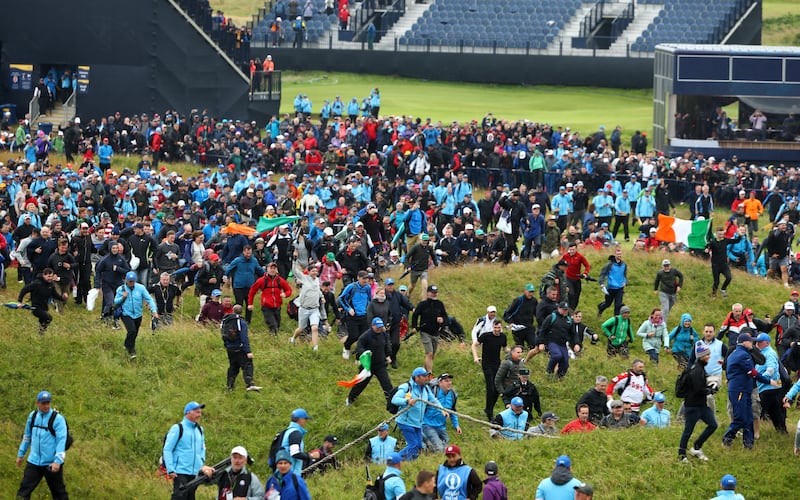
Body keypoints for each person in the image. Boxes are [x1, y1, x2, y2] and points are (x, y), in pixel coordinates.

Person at [722, 333, 778, 449]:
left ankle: (748, 443)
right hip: (739, 390)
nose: (753, 343)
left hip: (743, 389)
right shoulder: (743, 355)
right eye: (750, 341)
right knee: (740, 417)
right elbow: (752, 372)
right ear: (744, 342)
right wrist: (768, 381)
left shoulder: (736, 353)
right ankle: (727, 439)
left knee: (748, 418)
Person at [16, 390, 69, 499]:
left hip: (51, 463)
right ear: (38, 403)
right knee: (23, 492)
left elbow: (61, 441)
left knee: (59, 494)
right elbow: (27, 436)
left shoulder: (58, 419)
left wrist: (57, 461)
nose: (46, 406)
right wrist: (21, 454)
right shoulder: (33, 416)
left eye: (48, 403)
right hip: (34, 462)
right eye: (43, 403)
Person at [162, 402, 216, 500]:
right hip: (180, 471)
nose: (199, 415)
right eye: (197, 412)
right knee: (179, 496)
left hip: (194, 472)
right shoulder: (178, 428)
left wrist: (201, 466)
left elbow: (202, 449)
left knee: (190, 497)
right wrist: (170, 469)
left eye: (200, 412)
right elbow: (167, 449)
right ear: (188, 413)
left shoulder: (200, 430)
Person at [678, 342, 719, 463]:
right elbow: (698, 389)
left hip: (701, 405)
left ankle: (696, 447)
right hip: (692, 406)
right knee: (688, 431)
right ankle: (681, 455)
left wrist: (709, 388)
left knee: (713, 425)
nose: (709, 357)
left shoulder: (700, 369)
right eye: (707, 355)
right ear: (701, 356)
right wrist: (711, 390)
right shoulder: (697, 370)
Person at [391, 367, 437, 461]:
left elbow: (434, 400)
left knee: (419, 445)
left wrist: (443, 410)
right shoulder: (406, 387)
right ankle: (395, 461)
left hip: (417, 423)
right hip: (405, 421)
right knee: (413, 445)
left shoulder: (426, 389)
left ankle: (408, 460)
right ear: (417, 377)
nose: (426, 378)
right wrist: (407, 401)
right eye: (424, 376)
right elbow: (394, 400)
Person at [346, 317, 393, 406]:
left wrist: (388, 356)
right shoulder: (366, 335)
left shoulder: (384, 334)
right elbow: (359, 347)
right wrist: (365, 353)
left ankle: (391, 403)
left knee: (387, 385)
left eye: (381, 327)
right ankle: (350, 399)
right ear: (372, 326)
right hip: (367, 366)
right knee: (360, 384)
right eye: (377, 327)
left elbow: (387, 346)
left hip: (380, 365)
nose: (379, 328)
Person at [115, 271, 159, 359]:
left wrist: (154, 311)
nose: (131, 283)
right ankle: (132, 351)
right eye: (129, 281)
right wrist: (123, 297)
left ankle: (127, 345)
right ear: (126, 280)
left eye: (133, 281)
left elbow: (149, 299)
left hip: (138, 314)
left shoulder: (141, 288)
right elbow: (115, 301)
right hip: (126, 313)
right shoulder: (121, 289)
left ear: (135, 280)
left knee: (134, 333)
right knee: (132, 331)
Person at [411, 285, 451, 373]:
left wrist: (442, 320)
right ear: (428, 293)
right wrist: (414, 326)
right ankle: (430, 374)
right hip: (425, 331)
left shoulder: (439, 304)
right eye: (432, 293)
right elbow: (415, 315)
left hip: (436, 332)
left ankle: (423, 371)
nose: (434, 294)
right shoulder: (423, 304)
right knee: (429, 353)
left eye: (435, 293)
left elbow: (445, 316)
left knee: (431, 355)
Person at [222, 305, 262, 392]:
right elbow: (244, 337)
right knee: (247, 365)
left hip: (230, 348)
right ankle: (250, 384)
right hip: (240, 348)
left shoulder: (226, 321)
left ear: (233, 310)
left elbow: (223, 335)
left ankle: (229, 386)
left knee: (233, 367)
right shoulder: (241, 322)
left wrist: (227, 345)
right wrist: (248, 351)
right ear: (241, 312)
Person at [474, 319, 508, 420]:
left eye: (499, 328)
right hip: (486, 364)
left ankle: (489, 408)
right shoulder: (486, 336)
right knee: (490, 388)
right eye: (495, 327)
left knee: (498, 388)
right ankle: (490, 413)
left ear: (501, 328)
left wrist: (516, 353)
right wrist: (476, 357)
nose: (497, 330)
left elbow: (506, 349)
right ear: (492, 327)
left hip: (497, 364)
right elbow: (474, 345)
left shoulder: (503, 337)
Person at [16, 267, 68, 334]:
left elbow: (55, 295)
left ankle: (41, 334)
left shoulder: (51, 285)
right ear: (44, 275)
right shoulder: (37, 283)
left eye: (51, 276)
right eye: (48, 276)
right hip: (35, 307)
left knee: (43, 321)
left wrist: (63, 297)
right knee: (49, 318)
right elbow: (24, 290)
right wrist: (20, 301)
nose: (50, 278)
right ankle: (41, 332)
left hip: (44, 307)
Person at [754, 332, 787, 434]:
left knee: (757, 411)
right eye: (757, 342)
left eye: (760, 342)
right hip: (770, 387)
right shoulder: (762, 352)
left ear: (767, 343)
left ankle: (751, 432)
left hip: (768, 387)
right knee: (775, 411)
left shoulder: (769, 353)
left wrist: (763, 378)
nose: (757, 344)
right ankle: (782, 432)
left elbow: (771, 369)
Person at [248, 261, 293, 335]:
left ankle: (273, 340)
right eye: (271, 268)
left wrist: (285, 294)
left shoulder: (280, 280)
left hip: (277, 306)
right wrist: (250, 303)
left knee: (277, 325)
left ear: (276, 270)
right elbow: (252, 291)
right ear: (267, 269)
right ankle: (273, 339)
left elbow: (289, 290)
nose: (272, 270)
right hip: (266, 307)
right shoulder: (262, 280)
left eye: (274, 268)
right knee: (273, 325)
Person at [422, 373, 461, 453]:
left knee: (448, 447)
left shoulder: (453, 395)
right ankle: (425, 440)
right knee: (439, 449)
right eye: (446, 381)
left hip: (441, 427)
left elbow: (453, 411)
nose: (449, 383)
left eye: (450, 381)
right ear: (439, 383)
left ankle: (428, 444)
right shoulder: (433, 393)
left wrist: (456, 426)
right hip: (428, 425)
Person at [226, 245, 265, 324]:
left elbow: (259, 270)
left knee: (249, 304)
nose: (248, 255)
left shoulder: (254, 260)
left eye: (250, 253)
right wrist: (225, 276)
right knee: (239, 304)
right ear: (243, 252)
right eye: (247, 253)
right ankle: (236, 320)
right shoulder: (237, 260)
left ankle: (247, 322)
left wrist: (267, 275)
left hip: (250, 286)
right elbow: (229, 268)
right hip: (238, 286)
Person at [537, 301, 576, 378]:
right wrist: (541, 342)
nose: (565, 311)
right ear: (559, 308)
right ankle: (549, 372)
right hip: (552, 342)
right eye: (563, 309)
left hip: (562, 344)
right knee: (557, 355)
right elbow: (543, 330)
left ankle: (559, 377)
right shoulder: (551, 317)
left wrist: (576, 344)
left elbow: (573, 334)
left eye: (566, 310)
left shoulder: (569, 320)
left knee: (565, 363)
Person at [292, 261, 324, 350]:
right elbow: (295, 271)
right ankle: (293, 338)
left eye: (316, 271)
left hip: (314, 309)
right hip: (304, 309)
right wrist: (294, 260)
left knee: (314, 328)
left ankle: (315, 348)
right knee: (301, 328)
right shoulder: (304, 278)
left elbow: (318, 290)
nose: (315, 273)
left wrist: (322, 297)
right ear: (309, 272)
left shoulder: (317, 280)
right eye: (313, 271)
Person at [278, 408, 319, 476]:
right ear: (300, 420)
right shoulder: (295, 433)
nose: (305, 422)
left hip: (283, 472)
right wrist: (311, 456)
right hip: (291, 474)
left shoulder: (288, 431)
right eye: (305, 419)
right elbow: (295, 453)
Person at [705, 227, 741, 297]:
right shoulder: (713, 242)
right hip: (715, 265)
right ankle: (714, 294)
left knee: (729, 277)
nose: (721, 236)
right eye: (719, 234)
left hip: (724, 264)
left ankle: (723, 289)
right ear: (716, 234)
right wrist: (707, 249)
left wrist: (739, 235)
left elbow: (736, 241)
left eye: (722, 234)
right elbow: (708, 246)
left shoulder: (726, 240)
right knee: (716, 281)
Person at [502, 283, 538, 350]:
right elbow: (508, 313)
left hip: (529, 327)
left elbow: (536, 313)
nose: (531, 294)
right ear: (525, 291)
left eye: (532, 292)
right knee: (520, 348)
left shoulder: (534, 301)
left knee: (533, 345)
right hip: (517, 328)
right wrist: (511, 322)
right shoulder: (518, 300)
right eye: (529, 291)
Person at [597, 246, 627, 316]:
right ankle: (601, 308)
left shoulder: (624, 265)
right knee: (608, 304)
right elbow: (603, 274)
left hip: (620, 288)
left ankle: (616, 320)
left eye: (620, 254)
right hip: (611, 288)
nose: (619, 256)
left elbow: (624, 275)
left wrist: (625, 282)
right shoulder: (609, 265)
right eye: (617, 254)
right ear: (615, 255)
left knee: (618, 305)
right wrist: (601, 283)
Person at [653, 259, 683, 323]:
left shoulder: (674, 271)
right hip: (664, 293)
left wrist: (679, 286)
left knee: (667, 309)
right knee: (665, 309)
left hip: (673, 293)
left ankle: (655, 317)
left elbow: (681, 276)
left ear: (670, 265)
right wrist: (655, 289)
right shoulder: (660, 273)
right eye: (665, 266)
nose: (666, 267)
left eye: (667, 265)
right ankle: (663, 325)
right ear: (662, 266)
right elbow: (657, 281)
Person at [563, 242, 590, 309]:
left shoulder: (580, 256)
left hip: (577, 278)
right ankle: (569, 309)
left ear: (576, 249)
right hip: (568, 278)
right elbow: (559, 264)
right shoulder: (566, 256)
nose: (572, 251)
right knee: (571, 294)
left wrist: (585, 273)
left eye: (573, 249)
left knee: (577, 295)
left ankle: (573, 309)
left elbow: (587, 265)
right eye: (570, 249)